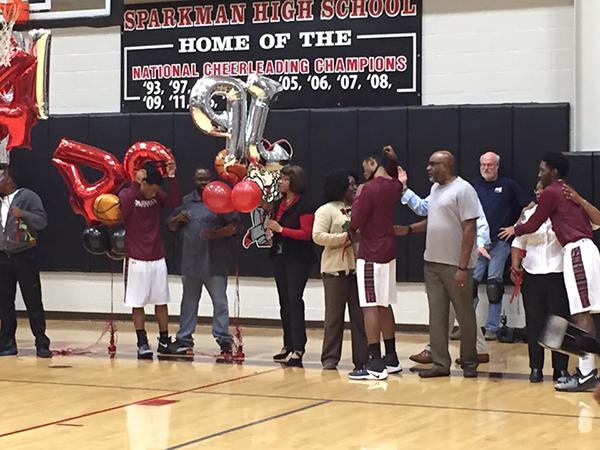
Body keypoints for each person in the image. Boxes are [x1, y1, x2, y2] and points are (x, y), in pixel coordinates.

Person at [509, 152, 600, 392]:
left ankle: (587, 373)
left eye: (542, 169)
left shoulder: (552, 191)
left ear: (554, 172)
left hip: (576, 251)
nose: (539, 174)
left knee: (580, 314)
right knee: (584, 313)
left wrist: (513, 228)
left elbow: (531, 225)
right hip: (584, 250)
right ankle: (586, 370)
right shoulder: (565, 192)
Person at [395, 166, 490, 365]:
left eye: (432, 164)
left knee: (463, 313)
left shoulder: (464, 189)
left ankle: (470, 358)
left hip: (458, 262)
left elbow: (475, 224)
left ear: (445, 166)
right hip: (435, 262)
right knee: (441, 312)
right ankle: (441, 359)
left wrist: (479, 247)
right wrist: (404, 189)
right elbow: (424, 210)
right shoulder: (436, 189)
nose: (427, 167)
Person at [167, 167, 240, 359]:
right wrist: (177, 218)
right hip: (190, 262)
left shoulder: (222, 199)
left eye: (206, 179)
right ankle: (184, 340)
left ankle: (224, 340)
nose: (203, 182)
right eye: (199, 179)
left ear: (211, 180)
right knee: (189, 302)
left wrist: (214, 234)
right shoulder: (185, 201)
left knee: (220, 303)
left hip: (215, 262)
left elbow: (234, 227)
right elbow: (171, 226)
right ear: (194, 180)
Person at [347, 146, 403, 381]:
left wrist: (358, 197)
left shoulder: (368, 189)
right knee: (384, 304)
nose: (363, 172)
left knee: (369, 305)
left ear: (372, 162)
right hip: (389, 252)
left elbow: (355, 220)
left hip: (370, 253)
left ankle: (375, 363)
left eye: (364, 167)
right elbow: (398, 176)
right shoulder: (395, 186)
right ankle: (391, 357)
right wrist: (393, 159)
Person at [119, 160, 182, 360]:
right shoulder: (128, 195)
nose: (154, 194)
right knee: (138, 303)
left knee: (161, 301)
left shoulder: (156, 195)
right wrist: (135, 185)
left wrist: (171, 178)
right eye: (151, 190)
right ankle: (142, 342)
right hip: (137, 259)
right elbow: (123, 207)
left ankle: (164, 341)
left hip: (157, 257)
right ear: (143, 183)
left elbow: (175, 201)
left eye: (157, 190)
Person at [511, 181, 570, 383]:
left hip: (557, 272)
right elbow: (518, 242)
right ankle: (535, 367)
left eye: (542, 190)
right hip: (532, 273)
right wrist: (515, 265)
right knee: (534, 322)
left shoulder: (562, 212)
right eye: (536, 190)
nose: (538, 193)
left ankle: (560, 369)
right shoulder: (528, 214)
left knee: (558, 323)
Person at [313, 170, 368, 371]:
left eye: (355, 184)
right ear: (339, 188)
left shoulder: (358, 208)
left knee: (360, 318)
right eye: (350, 185)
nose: (354, 188)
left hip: (357, 269)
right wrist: (343, 239)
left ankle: (362, 359)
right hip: (334, 271)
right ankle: (329, 358)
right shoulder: (325, 210)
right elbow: (317, 236)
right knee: (334, 318)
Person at [473, 152, 530, 340]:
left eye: (490, 165)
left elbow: (530, 206)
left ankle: (492, 327)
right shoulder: (473, 187)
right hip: (479, 243)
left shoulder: (508, 185)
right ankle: (468, 326)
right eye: (483, 165)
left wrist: (515, 228)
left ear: (497, 166)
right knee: (470, 284)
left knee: (494, 285)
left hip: (500, 243)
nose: (486, 168)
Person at [267, 165, 316, 367]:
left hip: (299, 258)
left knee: (295, 300)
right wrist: (272, 232)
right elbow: (276, 225)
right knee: (284, 301)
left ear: (294, 181)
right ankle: (287, 344)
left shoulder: (304, 205)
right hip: (281, 256)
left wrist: (282, 229)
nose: (280, 182)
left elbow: (306, 234)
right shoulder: (278, 203)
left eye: (284, 179)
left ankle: (299, 347)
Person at [0, 164, 51, 358]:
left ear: (9, 179)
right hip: (3, 257)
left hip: (24, 256)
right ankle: (7, 343)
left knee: (33, 301)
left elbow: (42, 221)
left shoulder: (28, 197)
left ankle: (42, 342)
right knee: (5, 303)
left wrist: (23, 214)